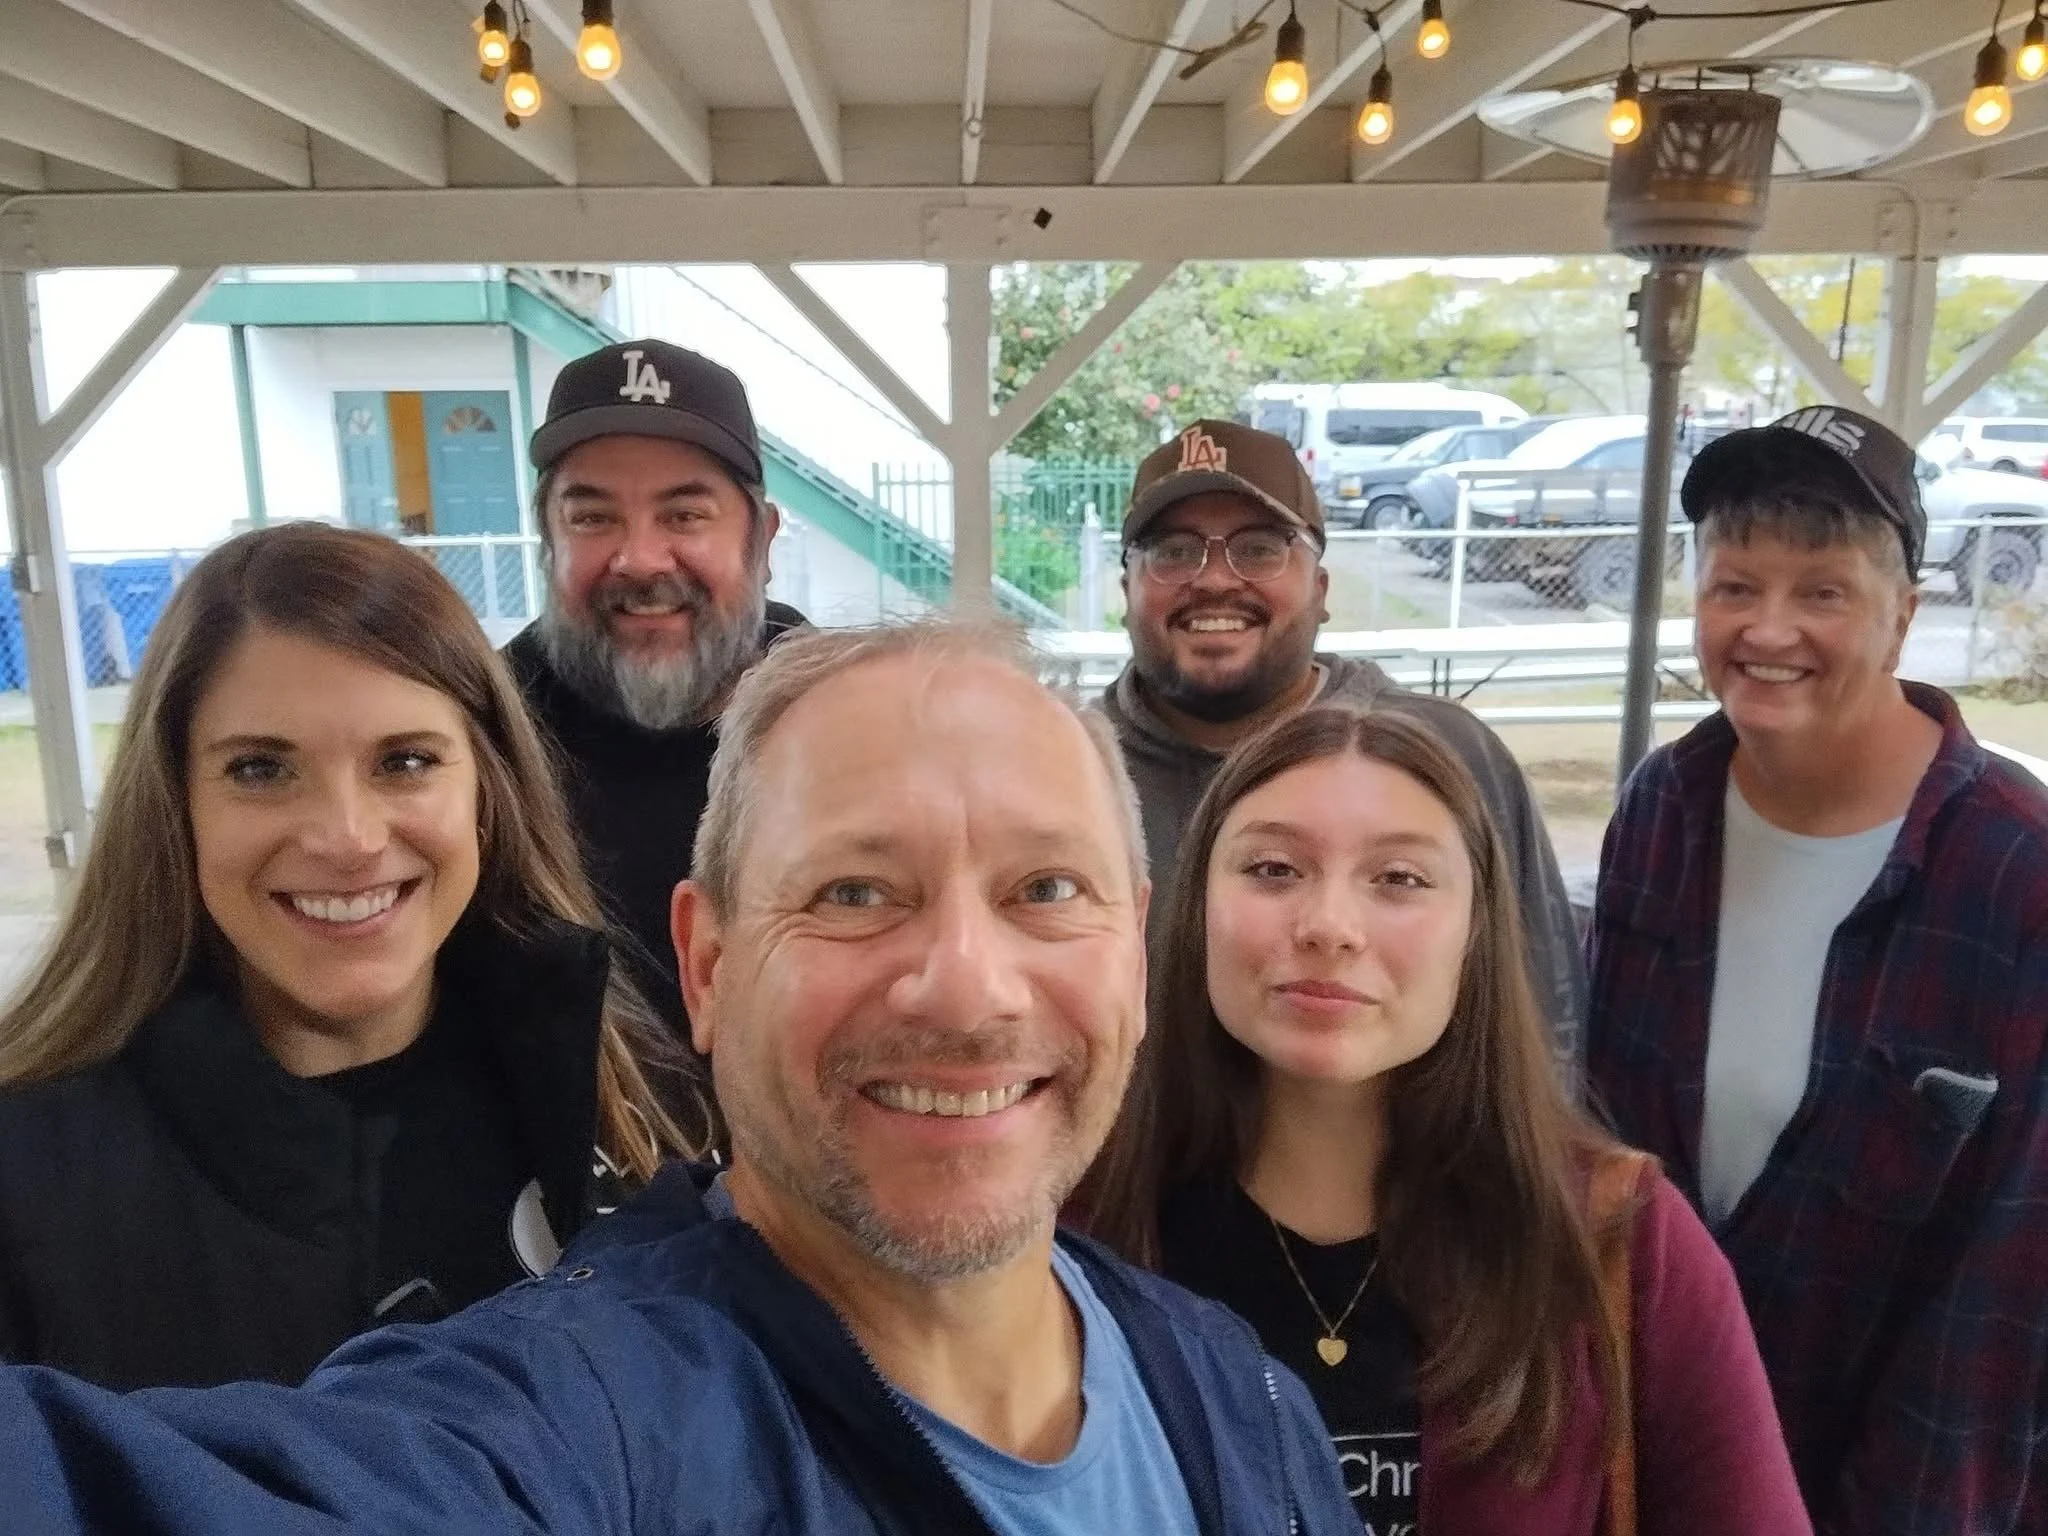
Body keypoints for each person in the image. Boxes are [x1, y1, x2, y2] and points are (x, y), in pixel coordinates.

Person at [0, 619, 1359, 1536]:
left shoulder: (1238, 1398)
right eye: (855, 891)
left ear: (1133, 945)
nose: (965, 984)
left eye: (1045, 890)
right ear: (704, 968)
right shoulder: (593, 1420)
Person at [0, 523, 698, 1392]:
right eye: (260, 770)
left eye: (405, 761)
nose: (349, 839)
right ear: (173, 806)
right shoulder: (30, 1186)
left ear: (487, 788)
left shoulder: (636, 1093)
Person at [1083, 704, 1808, 1535]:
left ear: (1477, 931)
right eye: (1275, 869)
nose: (1328, 927)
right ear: (1192, 907)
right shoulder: (1075, 1227)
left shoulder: (1620, 1244)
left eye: (1399, 879)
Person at [1586, 406, 2048, 1534]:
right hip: (1658, 1452)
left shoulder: (2013, 873)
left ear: (1901, 615)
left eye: (1821, 591)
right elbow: (1609, 1147)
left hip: (1885, 1486)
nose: (1767, 627)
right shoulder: (1660, 808)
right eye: (1734, 584)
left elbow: (2003, 1302)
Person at [1100, 419, 1586, 1079]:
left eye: (1261, 548)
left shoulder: (1447, 758)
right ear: (1126, 588)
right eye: (1173, 551)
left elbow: (1545, 1021)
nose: (1213, 579)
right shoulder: (1067, 773)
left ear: (1321, 590)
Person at [504, 338, 807, 1043]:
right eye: (592, 517)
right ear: (548, 542)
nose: (639, 559)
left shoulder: (855, 732)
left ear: (760, 544)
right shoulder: (474, 737)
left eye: (684, 515)